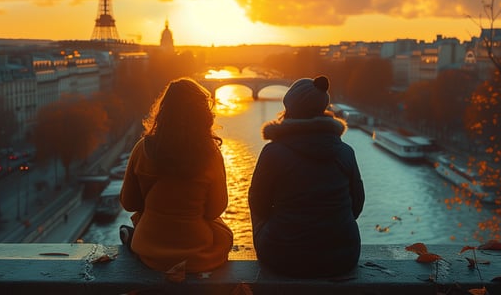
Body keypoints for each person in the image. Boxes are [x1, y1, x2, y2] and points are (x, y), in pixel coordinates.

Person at [249, 75, 365, 278]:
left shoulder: (273, 152)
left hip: (283, 257)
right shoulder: (345, 152)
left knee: (257, 204)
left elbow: (258, 204)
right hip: (343, 257)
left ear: (289, 110)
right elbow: (357, 206)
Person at [119, 77, 234, 273]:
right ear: (203, 114)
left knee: (141, 220)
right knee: (224, 234)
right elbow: (216, 209)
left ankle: (133, 237)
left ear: (163, 111)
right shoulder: (210, 153)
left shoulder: (143, 149)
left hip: (150, 252)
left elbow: (129, 202)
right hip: (196, 255)